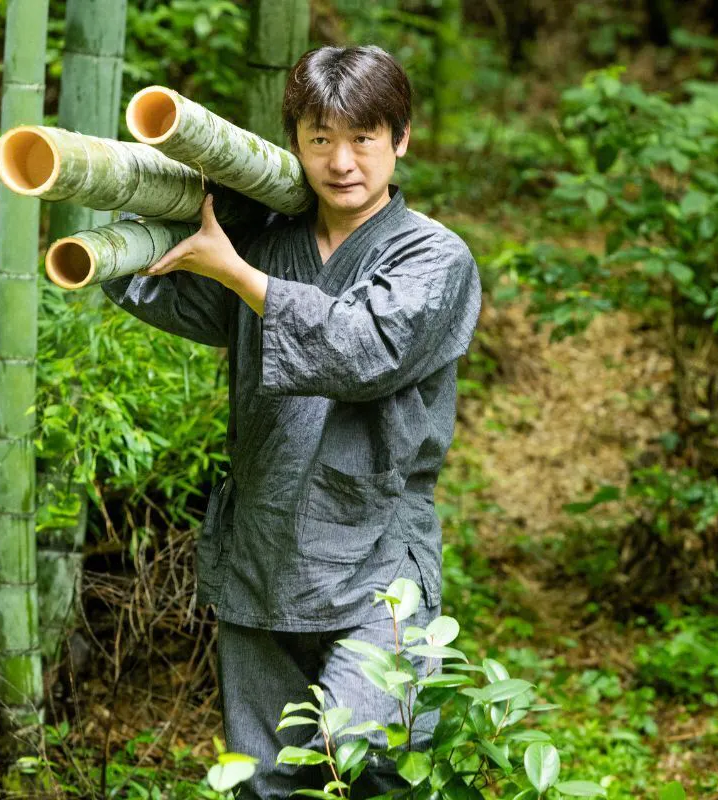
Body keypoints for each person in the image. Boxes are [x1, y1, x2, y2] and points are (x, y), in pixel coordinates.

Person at [102, 44, 482, 799]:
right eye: (319, 139)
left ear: (401, 139)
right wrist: (216, 209)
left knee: (368, 754)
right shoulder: (267, 240)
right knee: (266, 779)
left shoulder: (436, 259)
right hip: (263, 548)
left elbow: (363, 348)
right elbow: (146, 284)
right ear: (296, 145)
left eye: (363, 139)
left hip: (378, 557)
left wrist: (240, 272)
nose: (341, 162)